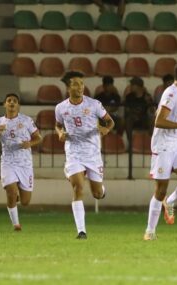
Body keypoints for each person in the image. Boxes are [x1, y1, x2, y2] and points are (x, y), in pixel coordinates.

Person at [55, 71, 115, 239]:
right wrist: (59, 132)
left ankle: (101, 190)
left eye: (82, 83)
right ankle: (81, 231)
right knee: (78, 187)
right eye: (75, 83)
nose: (80, 87)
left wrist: (106, 129)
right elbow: (58, 125)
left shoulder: (94, 104)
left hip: (93, 154)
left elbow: (110, 121)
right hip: (74, 152)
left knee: (96, 194)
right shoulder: (61, 108)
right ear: (68, 88)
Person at [144, 61, 177, 241]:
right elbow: (158, 121)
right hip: (164, 146)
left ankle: (170, 202)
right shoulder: (172, 93)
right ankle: (150, 231)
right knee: (160, 190)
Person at [0, 93, 42, 231]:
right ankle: (16, 224)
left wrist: (29, 143)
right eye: (9, 100)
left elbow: (38, 137)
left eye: (15, 101)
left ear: (18, 105)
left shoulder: (26, 120)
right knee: (11, 192)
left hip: (25, 164)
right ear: (4, 104)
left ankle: (18, 193)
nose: (12, 103)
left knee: (25, 202)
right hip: (8, 162)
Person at [124, 76, 155, 145]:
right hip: (133, 118)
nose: (130, 86)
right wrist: (133, 114)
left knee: (151, 120)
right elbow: (127, 110)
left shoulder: (147, 96)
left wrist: (149, 102)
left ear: (138, 86)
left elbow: (152, 111)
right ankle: (131, 144)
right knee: (128, 120)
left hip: (143, 118)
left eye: (132, 85)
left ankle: (152, 144)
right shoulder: (129, 96)